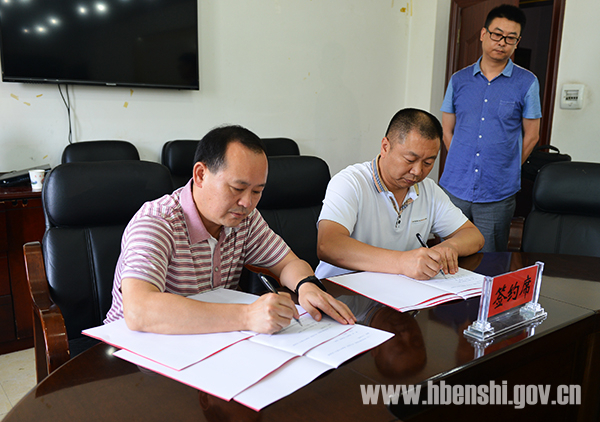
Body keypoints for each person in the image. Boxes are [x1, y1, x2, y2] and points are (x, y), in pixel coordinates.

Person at [105, 125, 355, 334]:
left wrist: (306, 285)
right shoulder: (157, 222)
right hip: (130, 352)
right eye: (237, 188)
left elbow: (287, 262)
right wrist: (247, 316)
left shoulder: (244, 219)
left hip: (207, 340)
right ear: (200, 175)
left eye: (257, 191)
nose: (247, 202)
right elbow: (139, 310)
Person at [315, 108, 484, 281]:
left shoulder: (428, 190)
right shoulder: (350, 183)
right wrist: (402, 262)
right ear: (385, 147)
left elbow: (473, 235)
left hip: (397, 290)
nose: (417, 171)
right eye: (410, 160)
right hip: (341, 290)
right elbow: (328, 245)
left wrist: (449, 247)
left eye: (428, 163)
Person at [439, 4, 542, 252]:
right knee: (448, 254)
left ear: (517, 42)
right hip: (455, 186)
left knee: (490, 257)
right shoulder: (458, 80)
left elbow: (532, 136)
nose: (502, 42)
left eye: (510, 38)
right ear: (484, 34)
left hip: (498, 191)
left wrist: (507, 168)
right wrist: (462, 159)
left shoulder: (527, 82)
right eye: (497, 34)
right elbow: (446, 130)